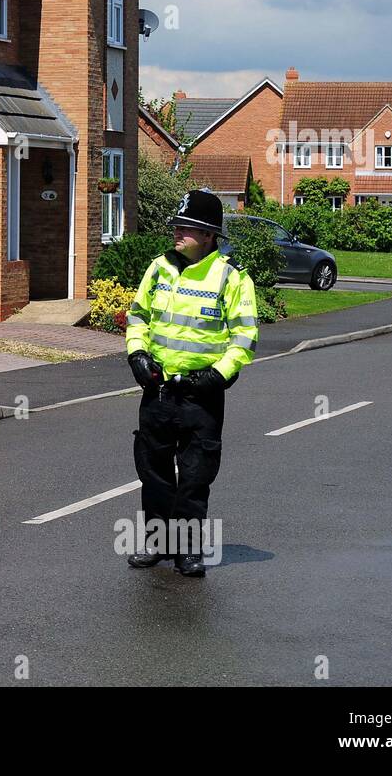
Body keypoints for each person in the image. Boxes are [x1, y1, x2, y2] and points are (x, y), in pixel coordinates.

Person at [123, 189, 259, 577]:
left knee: (195, 476)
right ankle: (156, 543)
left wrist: (218, 375)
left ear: (209, 235)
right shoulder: (159, 268)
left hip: (201, 395)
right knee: (153, 472)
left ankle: (187, 549)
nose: (177, 232)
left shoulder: (230, 278)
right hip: (158, 390)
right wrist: (137, 355)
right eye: (178, 225)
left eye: (187, 227)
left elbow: (245, 336)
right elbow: (138, 317)